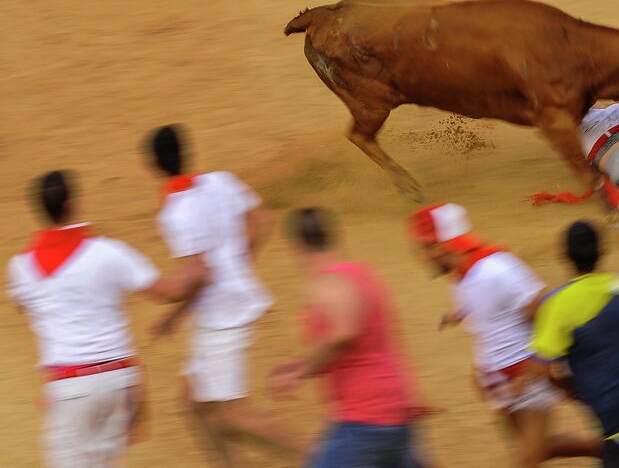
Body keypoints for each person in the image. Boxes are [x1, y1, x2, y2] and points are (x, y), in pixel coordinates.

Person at [6, 170, 206, 468]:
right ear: (74, 203)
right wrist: (198, 268)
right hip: (119, 382)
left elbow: (24, 305)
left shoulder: (21, 268)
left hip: (71, 387)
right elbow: (171, 291)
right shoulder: (108, 252)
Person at [146, 125, 305, 466]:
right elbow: (260, 221)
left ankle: (321, 458)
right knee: (194, 404)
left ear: (155, 165)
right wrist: (238, 263)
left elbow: (199, 277)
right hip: (228, 305)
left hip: (222, 316)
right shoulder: (220, 181)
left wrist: (170, 318)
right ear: (186, 152)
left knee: (232, 413)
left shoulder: (175, 213)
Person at [407, 202, 601, 468]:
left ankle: (617, 453)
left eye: (427, 247)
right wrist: (460, 313)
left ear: (445, 244)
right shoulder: (462, 275)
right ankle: (613, 452)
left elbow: (542, 309)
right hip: (497, 380)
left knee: (526, 460)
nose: (423, 257)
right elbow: (484, 301)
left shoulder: (498, 269)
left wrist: (544, 364)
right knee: (539, 449)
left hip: (526, 377)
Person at [269, 207, 428, 468]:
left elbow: (344, 333)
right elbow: (369, 343)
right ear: (332, 234)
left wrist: (300, 372)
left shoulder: (328, 283)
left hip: (365, 417)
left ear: (292, 246)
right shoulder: (362, 273)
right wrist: (302, 366)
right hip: (395, 407)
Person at [528, 220, 619, 468]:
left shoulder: (558, 304)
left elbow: (537, 370)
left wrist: (564, 386)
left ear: (564, 256)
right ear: (602, 252)